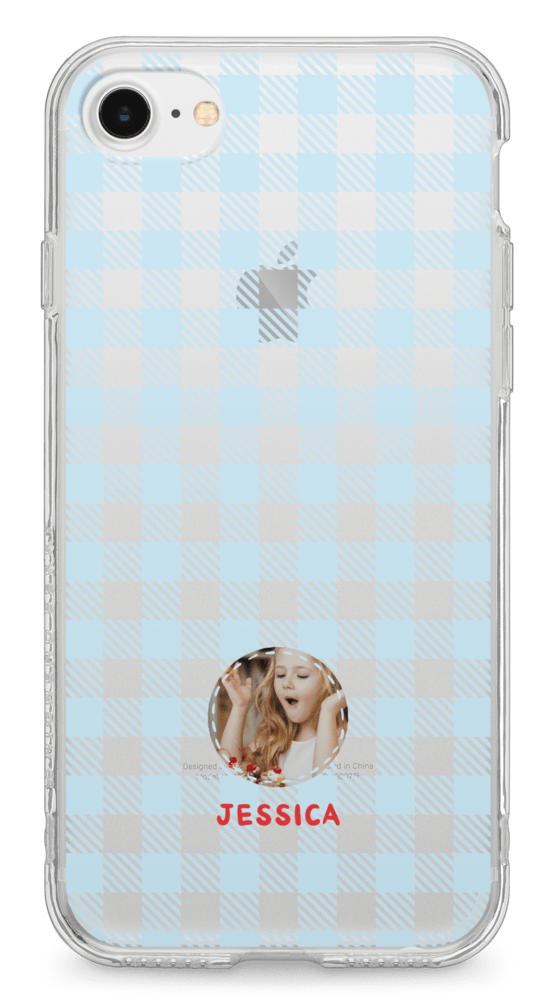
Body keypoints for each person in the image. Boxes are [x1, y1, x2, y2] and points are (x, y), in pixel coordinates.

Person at [219, 647, 347, 782]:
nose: (286, 683)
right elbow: (229, 769)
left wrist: (328, 709)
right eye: (280, 675)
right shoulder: (273, 738)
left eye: (302, 675)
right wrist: (239, 706)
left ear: (330, 682)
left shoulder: (340, 738)